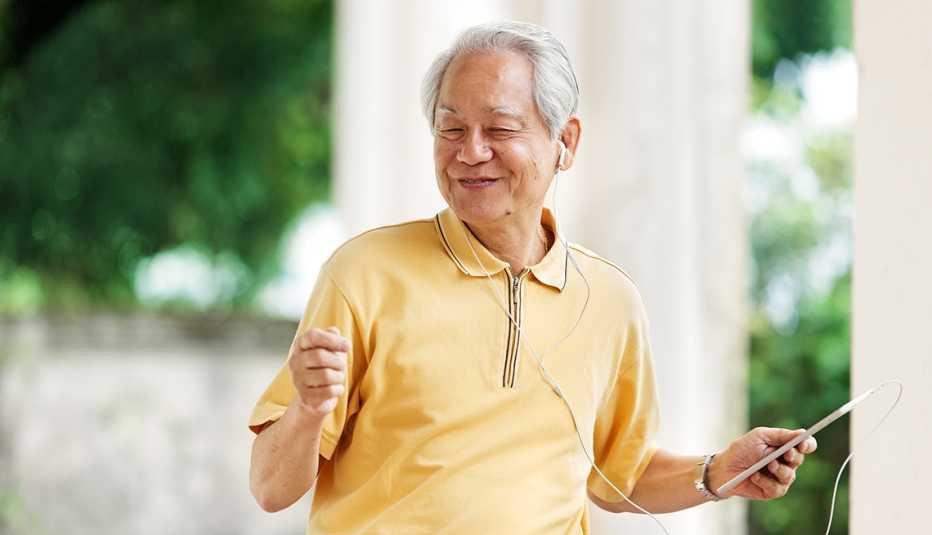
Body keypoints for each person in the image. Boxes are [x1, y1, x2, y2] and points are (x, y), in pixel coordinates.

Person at [248, 21, 817, 534]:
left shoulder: (609, 300)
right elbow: (272, 490)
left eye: (499, 128)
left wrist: (719, 472)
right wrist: (306, 408)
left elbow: (622, 473)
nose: (471, 152)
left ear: (564, 142)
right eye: (451, 129)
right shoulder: (363, 273)